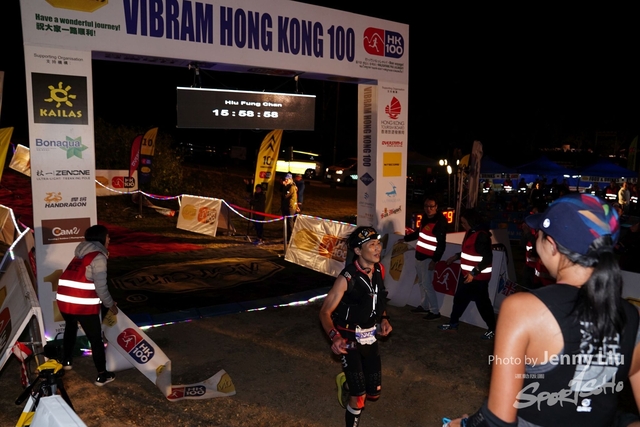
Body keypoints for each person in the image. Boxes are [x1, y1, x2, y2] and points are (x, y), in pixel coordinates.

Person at [445, 193, 640, 427]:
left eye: (539, 233)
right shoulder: (632, 317)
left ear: (552, 245)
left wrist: (462, 424)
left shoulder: (523, 309)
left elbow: (497, 420)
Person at [319, 226, 392, 427]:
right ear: (358, 251)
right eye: (371, 245)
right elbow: (324, 312)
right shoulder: (346, 278)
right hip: (348, 339)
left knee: (373, 393)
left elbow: (379, 298)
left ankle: (346, 382)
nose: (378, 248)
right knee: (359, 396)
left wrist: (384, 318)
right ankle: (352, 388)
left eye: (378, 243)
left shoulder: (379, 269)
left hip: (370, 337)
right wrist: (334, 336)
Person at [55, 224, 118, 386]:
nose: (109, 239)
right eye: (108, 236)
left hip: (64, 302)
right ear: (101, 238)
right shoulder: (98, 257)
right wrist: (111, 304)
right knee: (96, 339)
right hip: (82, 305)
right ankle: (102, 375)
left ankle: (67, 361)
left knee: (70, 328)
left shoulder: (79, 255)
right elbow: (101, 287)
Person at [438, 209, 495, 339]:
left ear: (472, 221)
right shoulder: (471, 232)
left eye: (464, 222)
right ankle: (453, 324)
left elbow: (487, 258)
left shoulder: (481, 236)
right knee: (459, 300)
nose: (462, 225)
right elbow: (469, 251)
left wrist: (473, 273)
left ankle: (493, 329)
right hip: (467, 275)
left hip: (478, 278)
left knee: (483, 305)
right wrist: (456, 256)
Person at [403, 196, 447, 320]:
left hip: (428, 258)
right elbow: (419, 233)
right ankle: (424, 306)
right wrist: (405, 239)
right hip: (419, 256)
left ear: (436, 207)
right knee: (422, 283)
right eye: (426, 206)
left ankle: (435, 311)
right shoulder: (425, 218)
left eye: (431, 206)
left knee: (427, 284)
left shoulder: (440, 222)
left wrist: (434, 260)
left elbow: (441, 245)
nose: (428, 209)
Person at [280, 173, 298, 240]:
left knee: (290, 223)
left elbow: (285, 195)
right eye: (285, 179)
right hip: (286, 206)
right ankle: (287, 237)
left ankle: (291, 238)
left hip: (290, 207)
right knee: (286, 223)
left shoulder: (291, 187)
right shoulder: (288, 186)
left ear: (290, 179)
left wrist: (284, 186)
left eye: (287, 179)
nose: (285, 181)